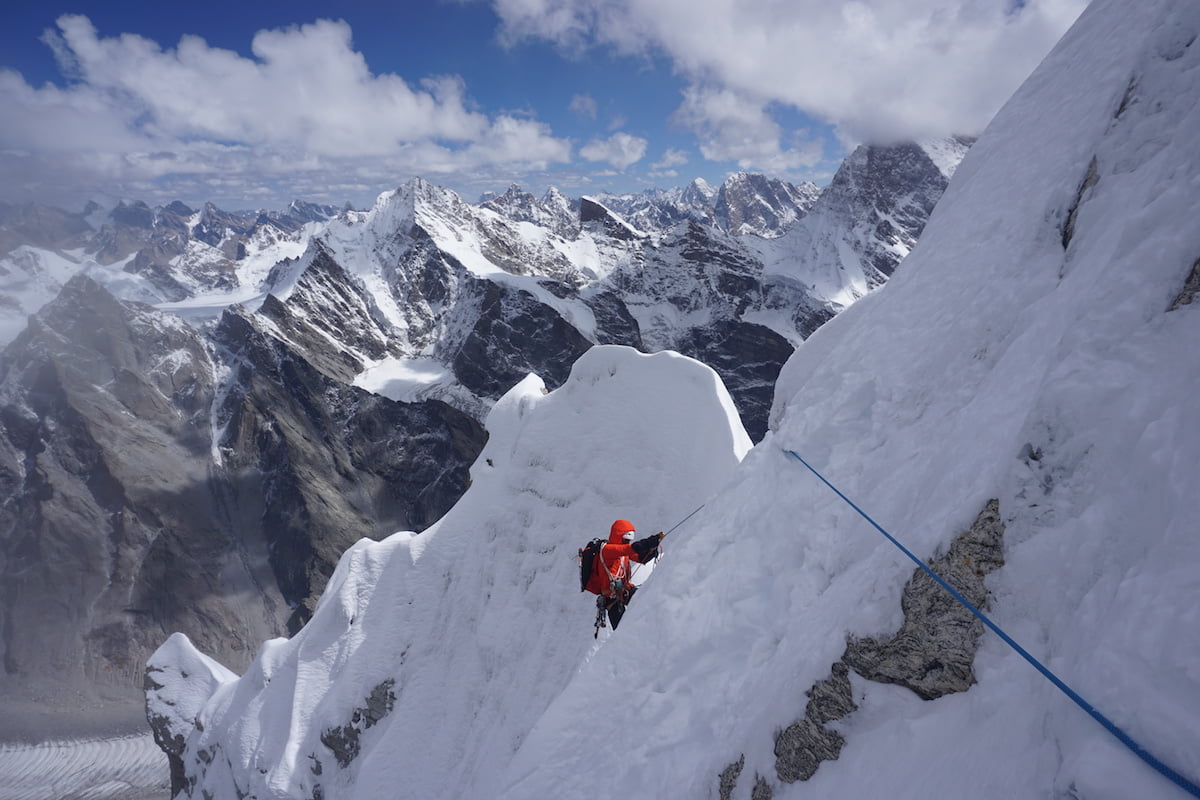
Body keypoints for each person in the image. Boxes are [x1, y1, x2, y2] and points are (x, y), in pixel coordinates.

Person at [587, 519, 664, 630]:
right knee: (622, 629)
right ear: (618, 536)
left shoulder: (622, 552)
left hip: (624, 591)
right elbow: (631, 549)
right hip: (612, 599)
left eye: (628, 541)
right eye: (625, 540)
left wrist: (651, 551)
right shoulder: (607, 550)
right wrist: (649, 542)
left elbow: (640, 558)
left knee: (645, 604)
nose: (627, 543)